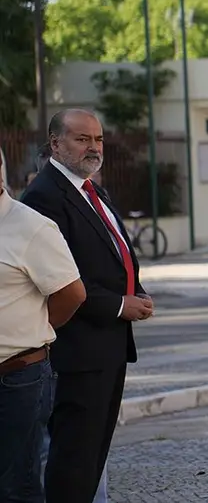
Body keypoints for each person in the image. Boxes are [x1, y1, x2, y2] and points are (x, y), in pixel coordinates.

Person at [21, 109, 154, 503]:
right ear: (55, 144)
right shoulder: (45, 197)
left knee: (94, 453)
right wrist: (117, 305)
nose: (93, 147)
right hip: (78, 349)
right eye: (82, 139)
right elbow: (58, 281)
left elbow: (113, 254)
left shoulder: (91, 188)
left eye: (97, 139)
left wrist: (137, 290)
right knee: (74, 457)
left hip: (108, 345)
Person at [0, 148, 85, 503]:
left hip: (17, 377)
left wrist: (34, 328)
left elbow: (71, 294)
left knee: (15, 485)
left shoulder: (31, 226)